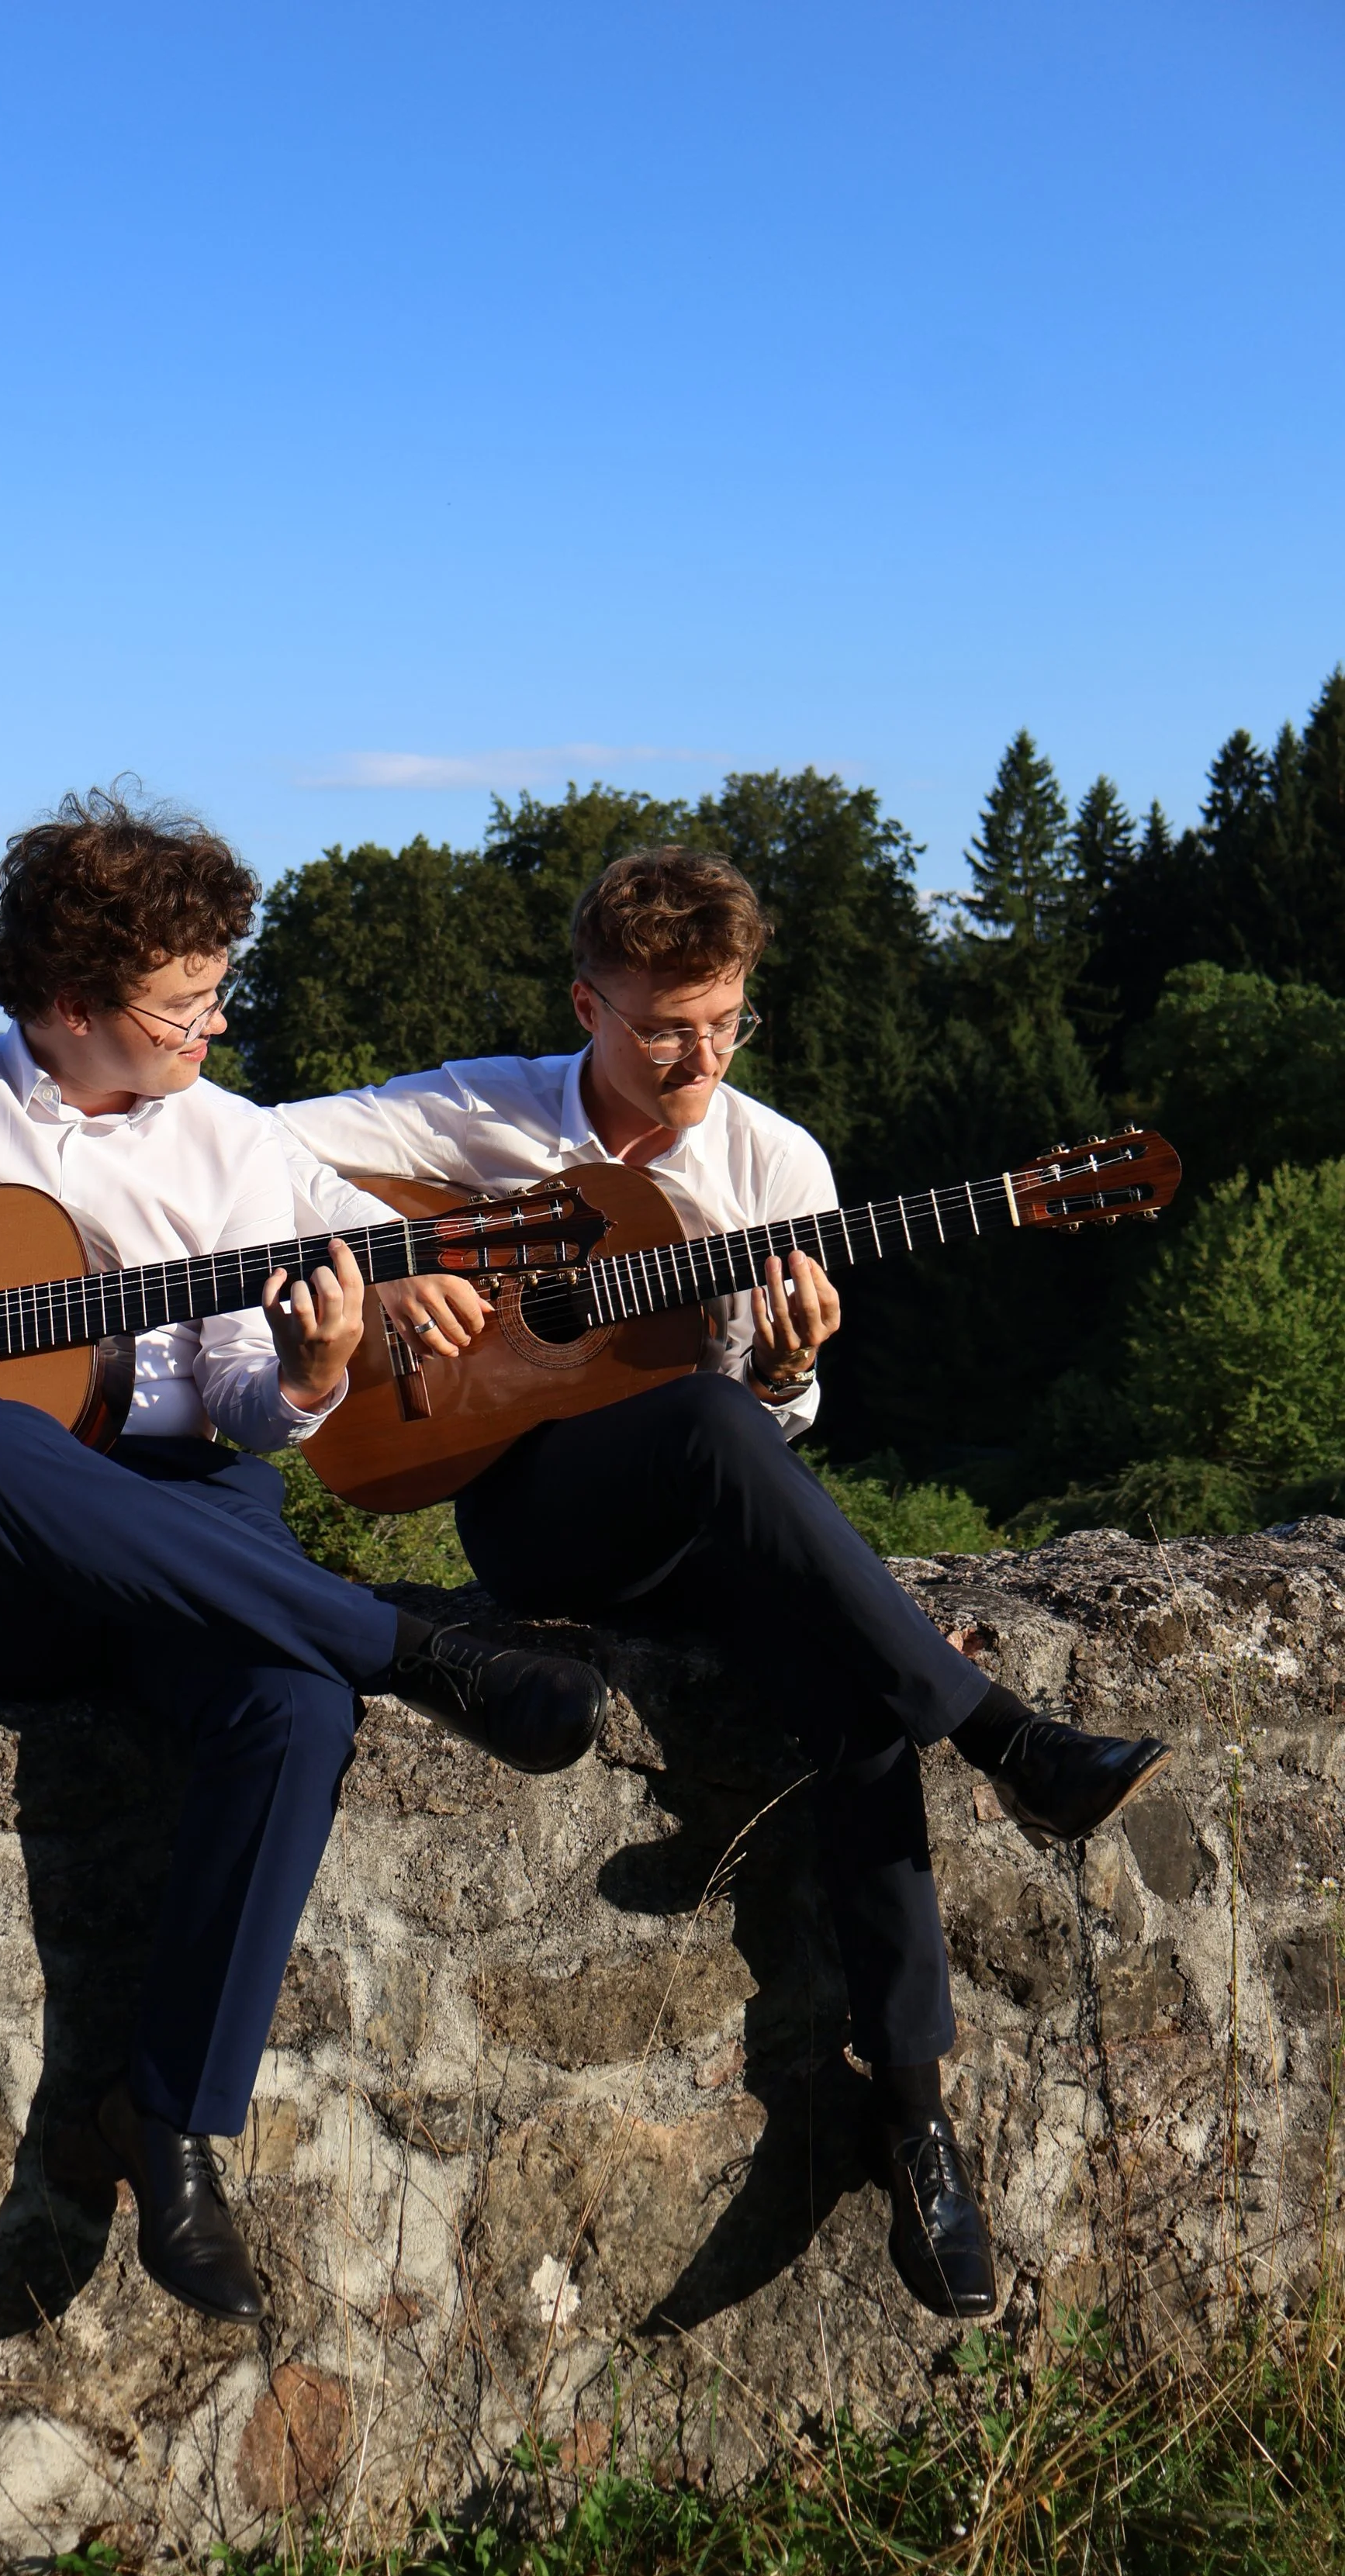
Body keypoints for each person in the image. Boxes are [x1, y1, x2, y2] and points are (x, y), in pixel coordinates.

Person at [0, 786, 606, 2325]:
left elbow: (237, 1409)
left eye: (220, 987)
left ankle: (180, 2129)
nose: (216, 1021)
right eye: (184, 998)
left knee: (290, 1709)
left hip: (180, 1522)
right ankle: (415, 1647)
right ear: (68, 1005)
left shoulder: (239, 1153)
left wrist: (315, 1369)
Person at [274, 844, 1172, 2320]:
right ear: (589, 1003)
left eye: (724, 1022)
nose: (697, 1057)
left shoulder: (781, 1169)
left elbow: (772, 1431)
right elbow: (247, 1147)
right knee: (699, 1427)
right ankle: (1008, 1738)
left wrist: (791, 1365)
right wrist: (388, 1268)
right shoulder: (475, 1107)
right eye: (661, 1027)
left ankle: (917, 2112)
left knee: (856, 1683)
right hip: (534, 1518)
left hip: (712, 1535)